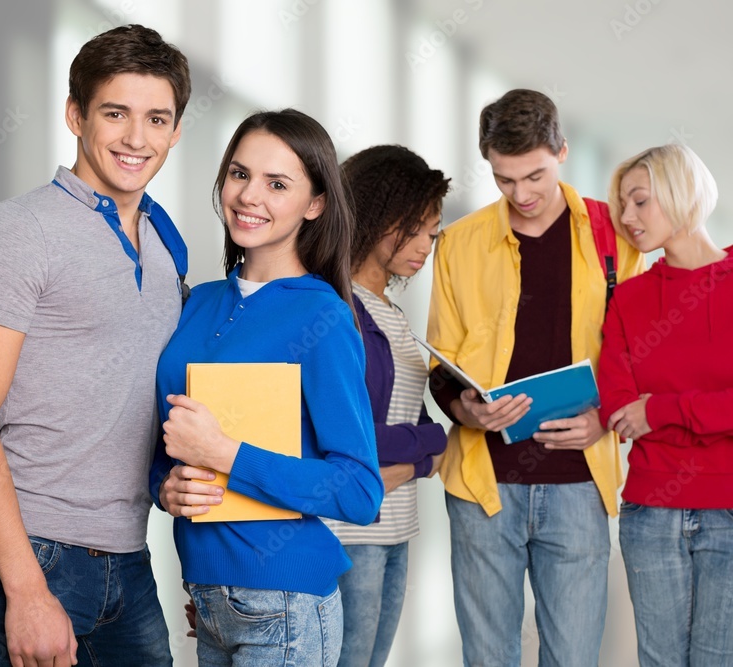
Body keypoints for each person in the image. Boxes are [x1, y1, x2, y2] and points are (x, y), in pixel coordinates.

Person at [0, 24, 190, 667]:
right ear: (75, 116)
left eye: (156, 118)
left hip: (131, 562)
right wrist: (25, 589)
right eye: (116, 114)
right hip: (31, 555)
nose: (137, 138)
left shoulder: (165, 244)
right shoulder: (17, 232)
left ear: (175, 130)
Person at [151, 109, 385, 665]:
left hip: (286, 603)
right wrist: (166, 489)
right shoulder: (197, 302)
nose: (249, 195)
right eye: (239, 174)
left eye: (277, 184)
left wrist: (225, 454)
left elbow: (358, 491)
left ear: (315, 204)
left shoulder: (323, 317)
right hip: (207, 597)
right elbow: (165, 442)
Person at [426, 89, 644, 666]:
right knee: (487, 657)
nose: (521, 195)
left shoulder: (614, 237)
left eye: (535, 176)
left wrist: (604, 420)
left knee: (572, 658)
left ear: (563, 152)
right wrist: (470, 411)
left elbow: (642, 357)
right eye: (504, 180)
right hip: (482, 485)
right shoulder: (460, 242)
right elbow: (440, 363)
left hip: (580, 484)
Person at [598, 143, 733, 667]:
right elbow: (616, 406)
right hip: (651, 512)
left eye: (640, 202)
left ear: (681, 193)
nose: (628, 219)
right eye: (622, 207)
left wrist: (662, 410)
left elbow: (641, 412)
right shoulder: (629, 299)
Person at [322, 145, 450, 667]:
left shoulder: (391, 312)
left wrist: (421, 449)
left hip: (396, 528)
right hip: (351, 532)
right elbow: (353, 437)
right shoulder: (335, 305)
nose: (425, 246)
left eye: (433, 234)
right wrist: (435, 443)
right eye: (415, 228)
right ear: (375, 213)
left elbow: (406, 422)